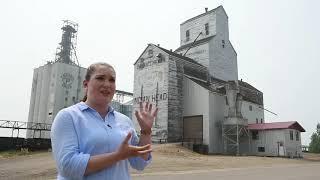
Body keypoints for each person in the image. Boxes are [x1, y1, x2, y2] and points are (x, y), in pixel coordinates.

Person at [51, 62, 158, 180]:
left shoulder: (124, 121)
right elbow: (68, 167)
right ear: (86, 84)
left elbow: (139, 163)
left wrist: (146, 132)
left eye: (112, 80)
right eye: (100, 78)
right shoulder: (68, 116)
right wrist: (117, 156)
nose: (107, 84)